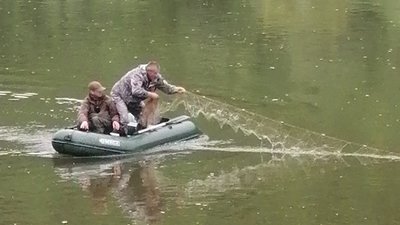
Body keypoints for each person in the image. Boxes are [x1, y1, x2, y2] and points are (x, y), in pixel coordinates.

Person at [111, 61, 185, 133]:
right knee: (125, 119)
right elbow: (136, 91)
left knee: (143, 118)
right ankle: (121, 134)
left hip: (134, 100)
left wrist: (176, 89)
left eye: (157, 73)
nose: (156, 75)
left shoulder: (156, 77)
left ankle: (141, 132)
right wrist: (150, 94)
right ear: (149, 72)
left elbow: (165, 87)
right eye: (154, 73)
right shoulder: (137, 74)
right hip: (119, 96)